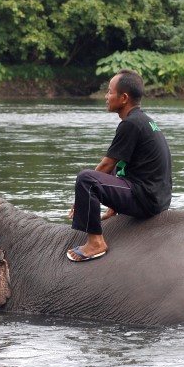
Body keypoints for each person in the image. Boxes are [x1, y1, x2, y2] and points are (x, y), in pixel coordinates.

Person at [66, 69, 172, 261]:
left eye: (109, 92)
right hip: (156, 196)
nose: (106, 97)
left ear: (123, 98)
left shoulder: (130, 124)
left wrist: (80, 200)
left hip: (146, 199)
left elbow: (106, 164)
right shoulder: (144, 120)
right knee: (117, 164)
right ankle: (112, 211)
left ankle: (96, 242)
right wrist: (112, 206)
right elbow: (120, 163)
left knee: (86, 179)